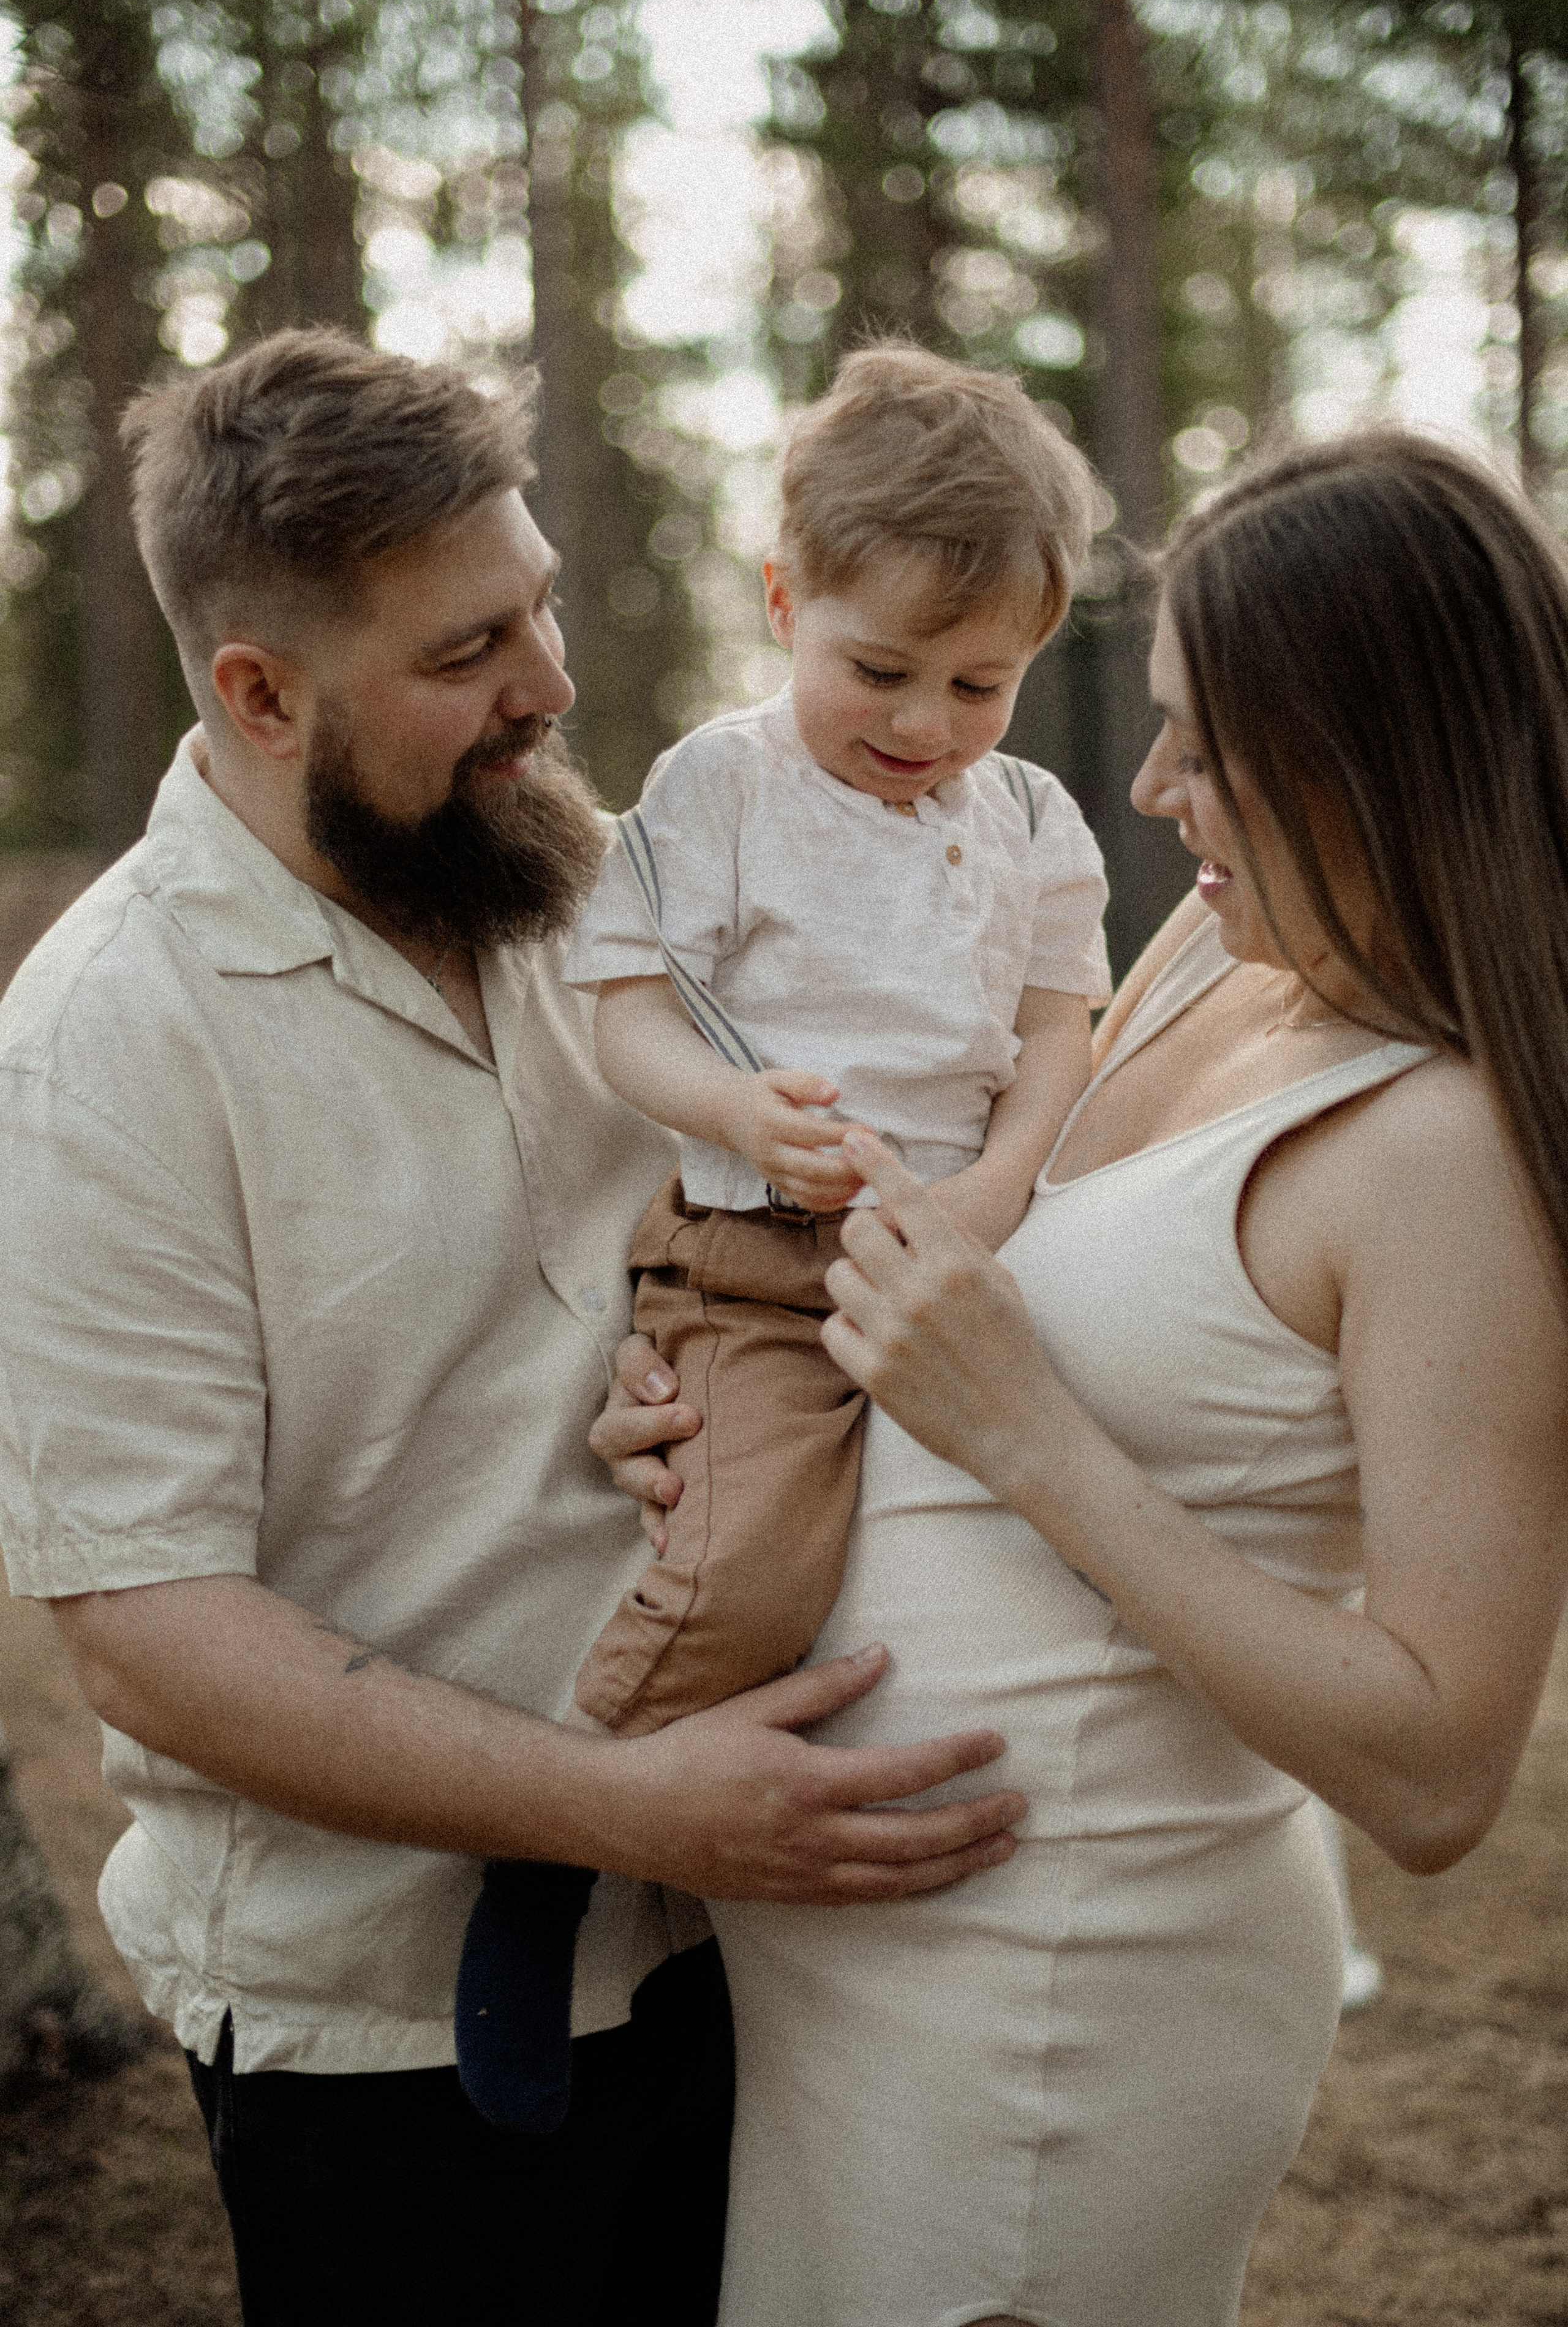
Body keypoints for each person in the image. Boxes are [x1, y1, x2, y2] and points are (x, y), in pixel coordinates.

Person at [0, 329, 1029, 2327]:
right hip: (387, 2049)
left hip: (745, 1943)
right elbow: (152, 1629)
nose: (551, 686)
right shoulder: (98, 1055)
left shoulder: (591, 899)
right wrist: (627, 1806)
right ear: (261, 692)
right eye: (473, 648)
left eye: (543, 601)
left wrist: (665, 1382)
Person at [627, 428, 1568, 2327]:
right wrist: (717, 1405)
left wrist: (1026, 1441)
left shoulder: (1450, 1152)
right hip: (859, 1981)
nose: (1150, 791)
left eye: (1209, 749)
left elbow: (1440, 1766)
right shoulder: (1209, 961)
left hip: (1068, 1994)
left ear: (1377, 750)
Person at [454, 345, 1112, 2132]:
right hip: (758, 1263)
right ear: (784, 602)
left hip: (970, 1248)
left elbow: (1063, 1029)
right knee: (749, 1562)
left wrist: (993, 1186)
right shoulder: (722, 787)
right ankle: (558, 1846)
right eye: (876, 669)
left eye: (981, 682)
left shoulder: (1038, 819)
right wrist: (741, 1115)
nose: (924, 723)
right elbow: (632, 1016)